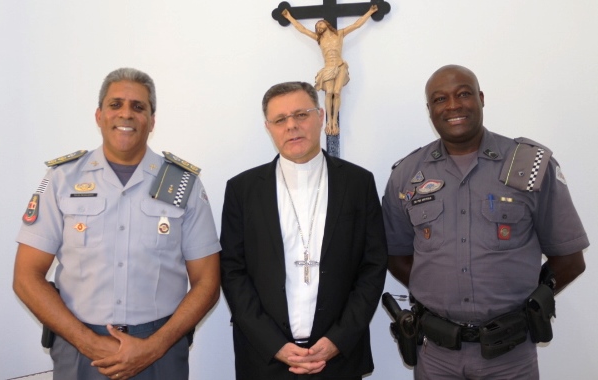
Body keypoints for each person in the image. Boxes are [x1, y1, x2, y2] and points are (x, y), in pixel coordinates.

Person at [382, 64, 589, 379]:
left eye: (463, 94)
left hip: (509, 355)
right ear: (429, 110)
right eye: (440, 99)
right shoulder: (407, 174)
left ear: (480, 98)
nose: (453, 105)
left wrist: (530, 303)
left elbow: (570, 259)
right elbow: (396, 256)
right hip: (436, 356)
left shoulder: (528, 165)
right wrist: (438, 293)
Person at [13, 67, 221, 380]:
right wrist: (90, 343)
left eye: (139, 107)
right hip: (79, 351)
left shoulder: (182, 183)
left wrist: (154, 346)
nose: (126, 114)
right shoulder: (62, 179)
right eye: (115, 104)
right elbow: (26, 276)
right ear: (99, 115)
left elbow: (207, 282)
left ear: (152, 121)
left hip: (159, 353)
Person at [220, 81, 388, 379]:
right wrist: (274, 345)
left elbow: (373, 267)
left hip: (338, 358)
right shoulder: (242, 190)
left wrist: (338, 339)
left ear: (321, 116)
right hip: (265, 360)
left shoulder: (358, 183)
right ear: (268, 127)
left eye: (301, 114)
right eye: (280, 120)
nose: (292, 126)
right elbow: (233, 272)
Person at [282, 5, 378, 136]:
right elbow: (302, 29)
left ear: (326, 24)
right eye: (317, 27)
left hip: (340, 66)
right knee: (329, 93)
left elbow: (356, 25)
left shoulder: (339, 34)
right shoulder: (319, 38)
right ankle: (329, 122)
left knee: (337, 92)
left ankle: (334, 122)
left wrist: (370, 12)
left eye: (320, 24)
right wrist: (289, 17)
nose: (318, 27)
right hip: (328, 68)